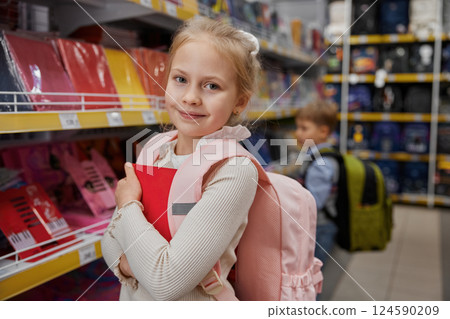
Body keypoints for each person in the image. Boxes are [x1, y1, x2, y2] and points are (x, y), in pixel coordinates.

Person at [101, 17, 261, 301]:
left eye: (211, 86)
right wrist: (135, 263)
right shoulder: (155, 149)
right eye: (180, 79)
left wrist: (127, 204)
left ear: (240, 101)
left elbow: (165, 282)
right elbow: (109, 243)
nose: (190, 97)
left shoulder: (233, 169)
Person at [294, 99, 339, 264]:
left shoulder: (321, 162)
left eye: (304, 128)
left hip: (319, 226)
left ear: (323, 131)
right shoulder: (317, 155)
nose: (298, 133)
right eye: (297, 127)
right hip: (320, 224)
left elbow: (314, 201)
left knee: (312, 271)